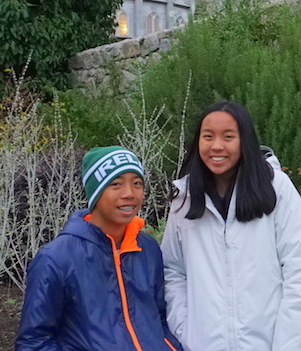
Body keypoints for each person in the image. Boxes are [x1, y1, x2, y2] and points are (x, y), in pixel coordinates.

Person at [162, 101, 301, 351]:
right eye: (208, 136)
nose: (216, 146)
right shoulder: (185, 198)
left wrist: (287, 346)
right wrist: (186, 331)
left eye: (228, 137)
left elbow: (300, 273)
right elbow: (173, 271)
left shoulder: (276, 188)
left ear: (244, 140)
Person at [16, 146, 182, 351]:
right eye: (116, 184)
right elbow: (34, 342)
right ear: (95, 192)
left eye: (137, 183)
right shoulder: (55, 259)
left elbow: (159, 319)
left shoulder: (148, 249)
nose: (129, 193)